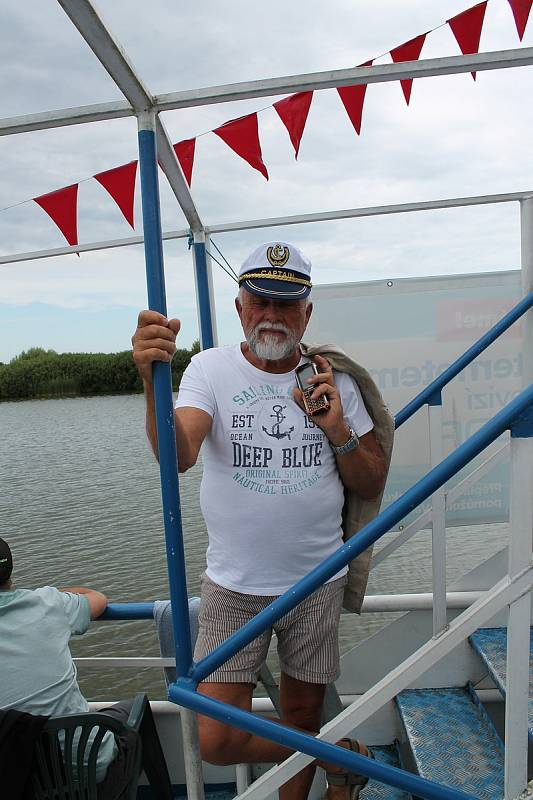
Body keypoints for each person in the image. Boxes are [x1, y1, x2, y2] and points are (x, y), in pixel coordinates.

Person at [132, 241, 392, 800]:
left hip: (316, 580)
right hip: (232, 586)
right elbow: (179, 455)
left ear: (308, 313)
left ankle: (309, 775)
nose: (273, 315)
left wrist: (337, 428)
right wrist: (152, 380)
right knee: (217, 738)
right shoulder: (210, 368)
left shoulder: (335, 380)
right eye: (261, 301)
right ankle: (339, 755)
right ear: (240, 308)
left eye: (287, 304)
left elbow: (371, 483)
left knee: (301, 712)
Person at [0, 537, 173, 800]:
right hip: (89, 772)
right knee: (136, 707)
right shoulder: (47, 603)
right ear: (10, 570)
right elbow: (98, 599)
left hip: (15, 781)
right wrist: (53, 594)